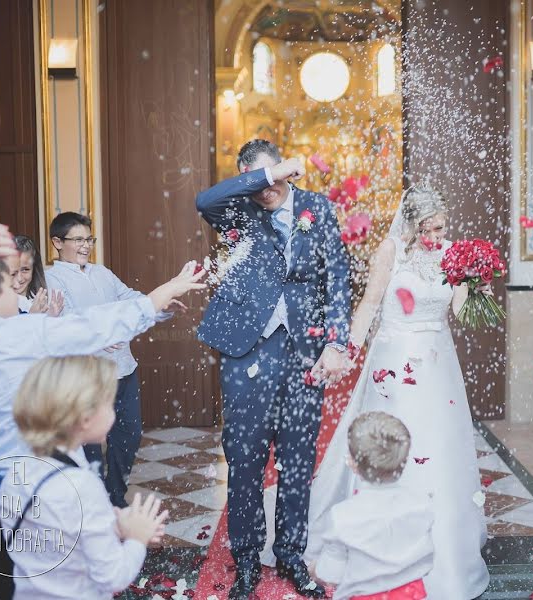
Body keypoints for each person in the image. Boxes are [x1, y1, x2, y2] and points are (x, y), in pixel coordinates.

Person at [0, 258, 203, 599]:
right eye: (9, 283)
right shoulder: (23, 330)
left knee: (4, 579)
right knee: (64, 574)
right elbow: (93, 326)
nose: (18, 287)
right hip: (41, 477)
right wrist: (157, 297)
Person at [306, 184, 491, 599]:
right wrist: (346, 351)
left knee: (440, 447)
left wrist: (477, 287)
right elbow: (369, 307)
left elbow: (462, 312)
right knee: (392, 440)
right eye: (433, 228)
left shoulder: (450, 254)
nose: (441, 235)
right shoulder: (390, 252)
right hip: (394, 364)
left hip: (439, 364)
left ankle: (446, 548)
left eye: (444, 227)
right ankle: (380, 531)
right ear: (412, 223)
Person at [194, 139, 351, 599]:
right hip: (248, 352)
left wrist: (336, 343)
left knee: (298, 461)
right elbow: (205, 201)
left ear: (290, 173)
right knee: (244, 459)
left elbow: (337, 277)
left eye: (274, 179)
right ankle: (245, 559)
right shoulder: (240, 209)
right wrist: (266, 175)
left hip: (305, 351)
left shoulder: (317, 210)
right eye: (259, 180)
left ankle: (291, 554)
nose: (267, 191)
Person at [0, 356, 168, 599]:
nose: (114, 411)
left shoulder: (16, 473)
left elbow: (53, 540)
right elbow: (113, 576)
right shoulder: (82, 485)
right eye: (109, 404)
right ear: (86, 418)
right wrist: (136, 538)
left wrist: (112, 524)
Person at [45, 212, 174, 508]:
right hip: (86, 376)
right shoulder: (52, 278)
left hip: (124, 369)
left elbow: (129, 298)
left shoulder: (102, 272)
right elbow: (70, 323)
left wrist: (161, 306)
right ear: (57, 242)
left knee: (129, 434)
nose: (85, 245)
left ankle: (115, 496)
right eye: (78, 239)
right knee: (88, 444)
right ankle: (94, 505)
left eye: (88, 239)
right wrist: (103, 335)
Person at [312, 411, 434, 600]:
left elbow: (331, 574)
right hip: (413, 595)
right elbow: (425, 557)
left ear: (352, 463)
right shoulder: (422, 504)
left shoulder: (342, 516)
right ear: (403, 461)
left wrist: (316, 570)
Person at [12, 235, 48, 312]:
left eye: (25, 269)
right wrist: (32, 317)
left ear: (34, 269)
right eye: (13, 272)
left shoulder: (38, 298)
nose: (19, 278)